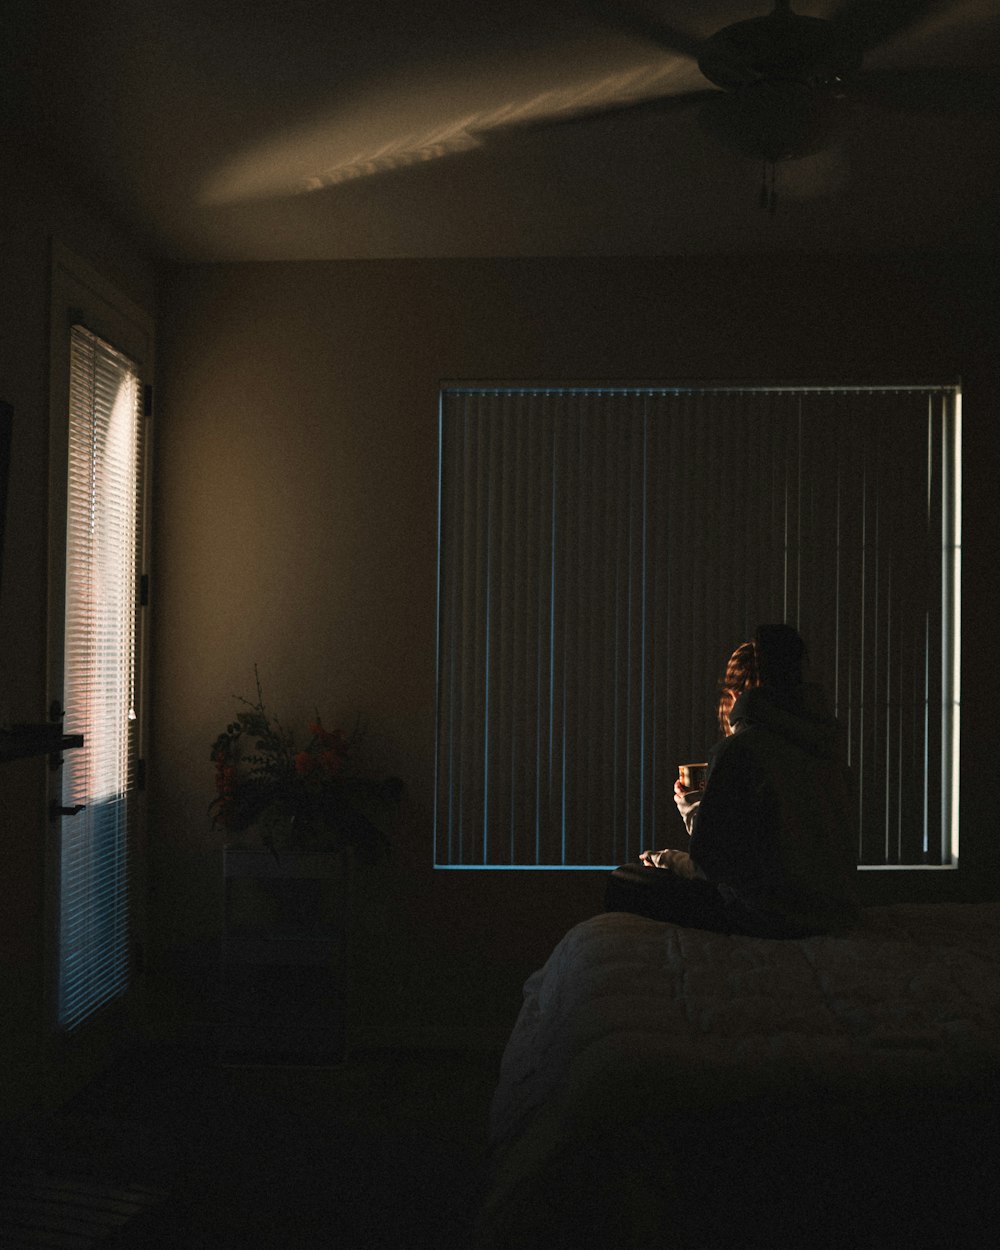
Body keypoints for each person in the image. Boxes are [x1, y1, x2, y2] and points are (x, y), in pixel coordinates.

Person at [604, 624, 860, 938]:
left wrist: (688, 818)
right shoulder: (826, 750)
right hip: (835, 915)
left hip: (767, 918)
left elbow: (713, 866)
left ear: (736, 694)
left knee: (624, 880)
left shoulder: (740, 750)